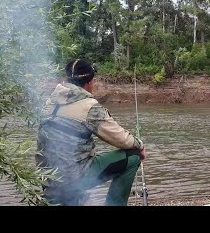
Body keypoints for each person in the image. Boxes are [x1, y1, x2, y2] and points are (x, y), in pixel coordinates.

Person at [36, 59, 145, 206]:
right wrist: (140, 146)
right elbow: (121, 139)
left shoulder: (49, 102)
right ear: (89, 83)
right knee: (133, 156)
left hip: (48, 181)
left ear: (67, 79)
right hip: (72, 180)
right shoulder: (89, 107)